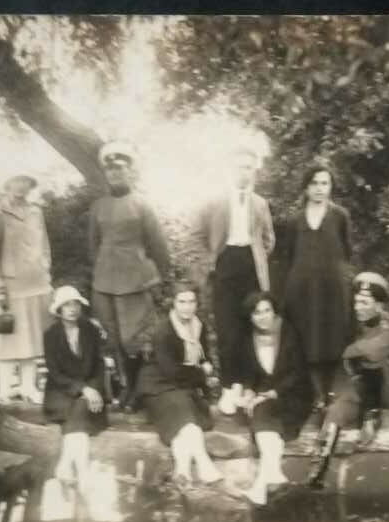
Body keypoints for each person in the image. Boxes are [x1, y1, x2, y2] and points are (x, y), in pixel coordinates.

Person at [308, 273, 389, 488]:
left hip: (386, 390)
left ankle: (372, 416)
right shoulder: (349, 323)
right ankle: (319, 465)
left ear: (379, 305)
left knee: (373, 361)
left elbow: (375, 349)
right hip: (355, 391)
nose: (358, 307)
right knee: (337, 411)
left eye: (365, 302)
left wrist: (346, 351)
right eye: (356, 301)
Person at [88, 141, 172, 410]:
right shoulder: (98, 206)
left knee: (133, 339)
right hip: (104, 281)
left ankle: (141, 387)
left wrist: (163, 278)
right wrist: (100, 270)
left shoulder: (142, 205)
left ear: (130, 172)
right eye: (111, 171)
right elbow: (93, 244)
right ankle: (125, 389)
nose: (116, 175)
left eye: (121, 169)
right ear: (106, 174)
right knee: (113, 340)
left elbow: (158, 245)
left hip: (134, 281)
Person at [195, 143, 275, 416]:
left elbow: (268, 240)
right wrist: (209, 263)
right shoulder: (215, 201)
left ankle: (251, 385)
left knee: (252, 327)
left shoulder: (260, 203)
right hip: (225, 264)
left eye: (250, 167)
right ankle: (230, 387)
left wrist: (259, 259)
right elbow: (198, 235)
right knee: (228, 329)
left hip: (251, 266)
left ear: (255, 171)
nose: (245, 172)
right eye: (240, 167)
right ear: (231, 169)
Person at [136, 282, 224, 489]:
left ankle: (182, 471)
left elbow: (204, 358)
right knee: (184, 416)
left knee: (187, 424)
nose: (187, 307)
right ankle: (204, 464)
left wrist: (206, 370)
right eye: (182, 302)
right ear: (173, 304)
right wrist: (202, 374)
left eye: (191, 301)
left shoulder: (197, 326)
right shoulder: (164, 331)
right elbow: (172, 372)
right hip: (158, 386)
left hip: (183, 386)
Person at [282, 161, 354, 410]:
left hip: (332, 288)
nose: (319, 188)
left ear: (331, 187)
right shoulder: (294, 221)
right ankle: (316, 394)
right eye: (314, 183)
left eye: (325, 183)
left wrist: (345, 280)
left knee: (333, 335)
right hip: (302, 288)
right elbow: (287, 255)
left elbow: (347, 252)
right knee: (307, 336)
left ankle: (333, 390)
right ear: (305, 188)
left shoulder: (340, 216)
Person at [0, 172, 52, 404]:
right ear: (7, 183)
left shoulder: (36, 212)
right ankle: (4, 388)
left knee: (31, 337)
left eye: (26, 182)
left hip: (36, 282)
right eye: (16, 181)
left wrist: (45, 270)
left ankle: (29, 387)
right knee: (7, 336)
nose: (21, 187)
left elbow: (44, 246)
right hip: (10, 285)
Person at [236, 291, 313, 506]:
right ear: (250, 317)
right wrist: (249, 392)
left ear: (274, 311)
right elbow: (249, 374)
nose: (263, 317)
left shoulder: (289, 332)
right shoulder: (248, 338)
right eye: (257, 313)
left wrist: (271, 393)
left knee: (267, 416)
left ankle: (264, 483)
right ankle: (272, 477)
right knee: (261, 416)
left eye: (267, 310)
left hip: (294, 394)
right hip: (266, 396)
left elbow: (298, 373)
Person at [42, 285, 108, 490]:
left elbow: (99, 364)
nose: (72, 309)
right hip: (61, 390)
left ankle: (66, 467)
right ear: (59, 310)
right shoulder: (51, 334)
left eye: (76, 304)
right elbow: (55, 373)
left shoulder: (90, 330)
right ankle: (82, 470)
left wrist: (93, 389)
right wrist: (82, 389)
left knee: (80, 408)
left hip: (91, 388)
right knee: (78, 409)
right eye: (67, 305)